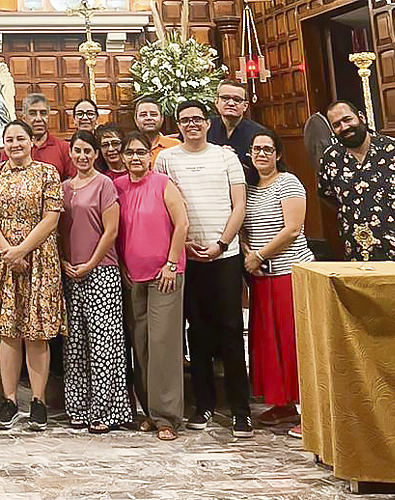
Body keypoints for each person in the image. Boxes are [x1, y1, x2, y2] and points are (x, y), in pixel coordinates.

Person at [154, 100, 253, 438]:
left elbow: (239, 203)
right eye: (185, 120)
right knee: (196, 332)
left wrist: (222, 244)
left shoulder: (225, 156)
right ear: (178, 125)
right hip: (189, 258)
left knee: (229, 330)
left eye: (197, 119)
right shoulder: (167, 158)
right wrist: (183, 246)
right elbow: (164, 207)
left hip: (224, 255)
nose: (192, 124)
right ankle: (204, 404)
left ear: (207, 123)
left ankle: (241, 410)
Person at [0, 120, 67, 431]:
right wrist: (7, 250)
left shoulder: (47, 173)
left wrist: (22, 250)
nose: (15, 144)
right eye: (9, 139)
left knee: (36, 331)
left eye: (20, 138)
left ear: (31, 142)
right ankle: (9, 399)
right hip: (3, 260)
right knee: (8, 330)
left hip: (38, 259)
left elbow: (51, 218)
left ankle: (39, 401)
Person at [115, 131, 189, 441]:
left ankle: (167, 416)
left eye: (140, 152)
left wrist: (171, 264)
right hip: (133, 276)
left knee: (163, 345)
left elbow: (182, 223)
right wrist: (121, 268)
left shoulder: (163, 184)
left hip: (165, 276)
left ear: (150, 156)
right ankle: (147, 411)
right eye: (129, 153)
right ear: (122, 158)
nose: (135, 158)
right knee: (141, 345)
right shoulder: (117, 187)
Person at [58, 130, 131, 433]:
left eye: (88, 151)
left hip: (101, 270)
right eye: (77, 151)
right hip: (70, 272)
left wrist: (90, 263)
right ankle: (77, 406)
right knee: (75, 343)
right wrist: (64, 261)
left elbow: (111, 231)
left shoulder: (105, 184)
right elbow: (58, 229)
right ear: (71, 153)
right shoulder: (63, 188)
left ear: (96, 154)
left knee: (104, 344)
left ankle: (106, 410)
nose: (83, 156)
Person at [242, 130, 314, 439]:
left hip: (290, 272)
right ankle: (282, 404)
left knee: (293, 341)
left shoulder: (288, 183)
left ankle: (309, 411)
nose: (261, 154)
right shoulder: (251, 189)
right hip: (263, 277)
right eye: (256, 149)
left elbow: (293, 229)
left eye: (268, 149)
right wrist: (248, 253)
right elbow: (244, 228)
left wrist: (257, 256)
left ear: (278, 154)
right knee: (269, 344)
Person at [319, 100, 395, 264]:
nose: (344, 127)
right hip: (358, 256)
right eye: (337, 125)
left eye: (347, 119)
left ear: (360, 117)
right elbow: (328, 197)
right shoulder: (330, 159)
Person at [1, 93, 76, 181]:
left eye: (43, 113)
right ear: (24, 118)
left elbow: (72, 182)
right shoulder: (13, 149)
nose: (38, 119)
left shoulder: (63, 148)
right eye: (33, 113)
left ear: (48, 117)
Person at [207, 80, 267, 167]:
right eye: (225, 98)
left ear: (245, 106)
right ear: (216, 102)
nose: (231, 103)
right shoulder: (205, 127)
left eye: (237, 100)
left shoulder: (258, 133)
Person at [134, 97, 181, 165]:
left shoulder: (175, 146)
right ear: (136, 119)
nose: (148, 118)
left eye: (153, 114)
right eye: (143, 115)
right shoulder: (129, 147)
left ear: (162, 118)